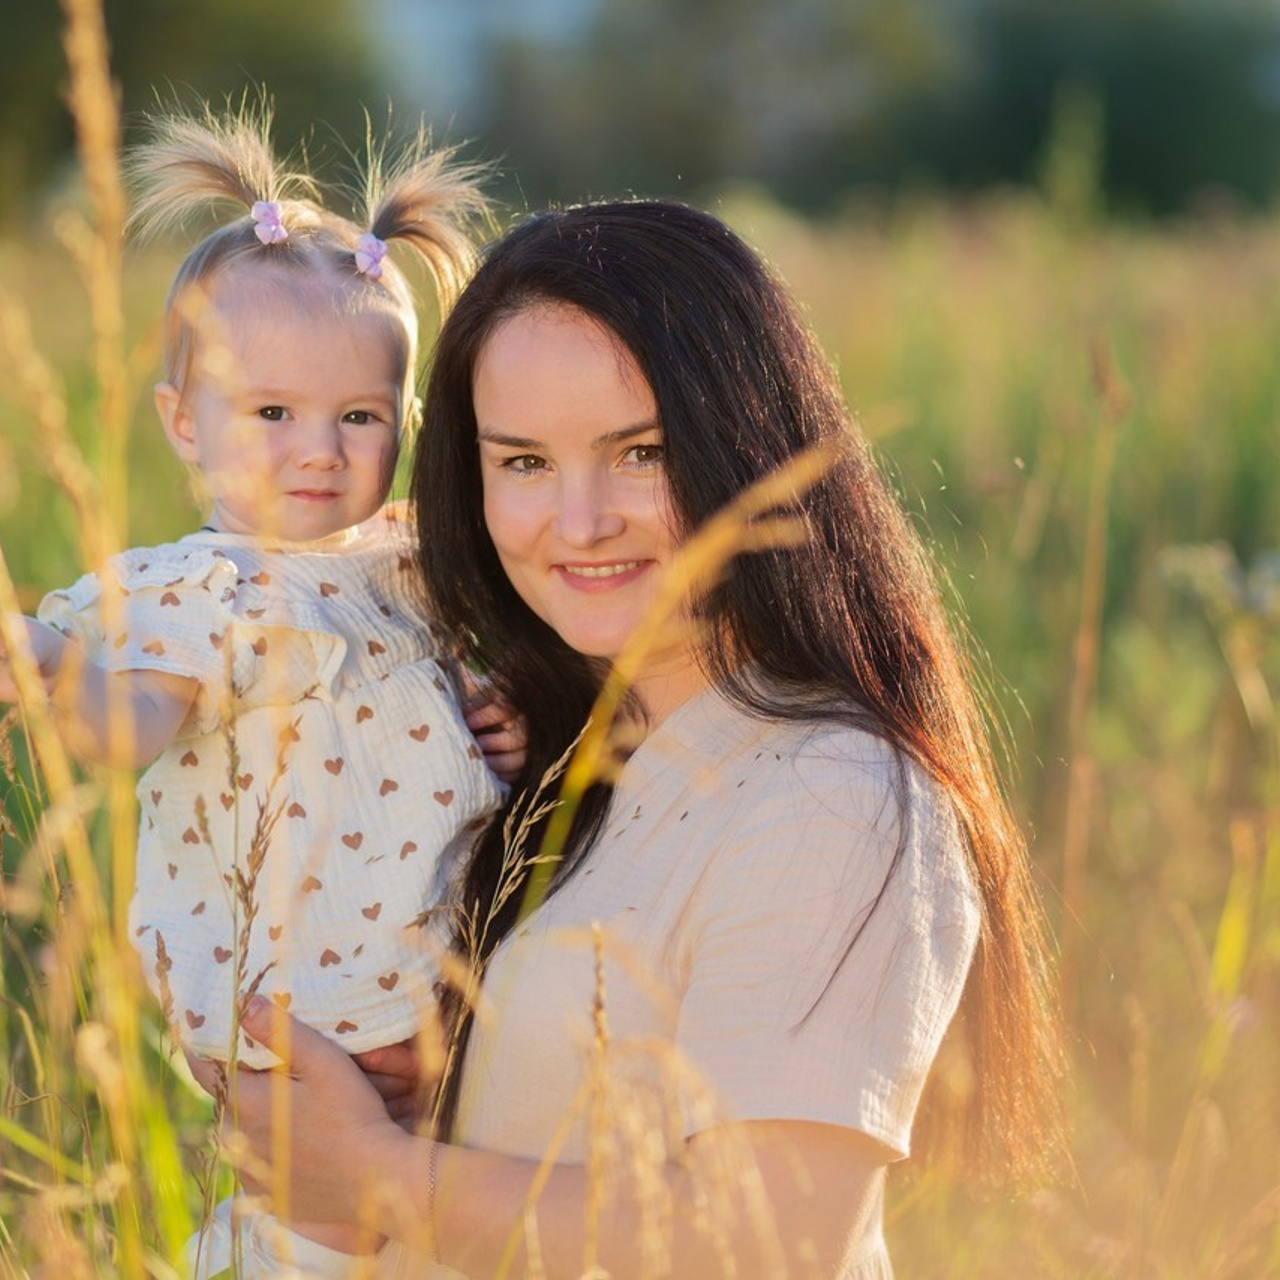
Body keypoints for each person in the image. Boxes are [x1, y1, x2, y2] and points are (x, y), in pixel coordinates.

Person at [187, 199, 1063, 1277]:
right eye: (522, 462)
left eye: (639, 450)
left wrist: (374, 1173)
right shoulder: (537, 753)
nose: (581, 518)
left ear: (746, 442)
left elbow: (768, 1242)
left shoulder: (828, 791)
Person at [0, 107, 526, 1276]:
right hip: (304, 1020)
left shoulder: (411, 568)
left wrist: (505, 717)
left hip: (445, 1001)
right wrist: (57, 674)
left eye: (359, 417)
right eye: (271, 413)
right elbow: (128, 726)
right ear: (184, 423)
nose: (318, 451)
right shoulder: (203, 592)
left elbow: (472, 713)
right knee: (312, 1237)